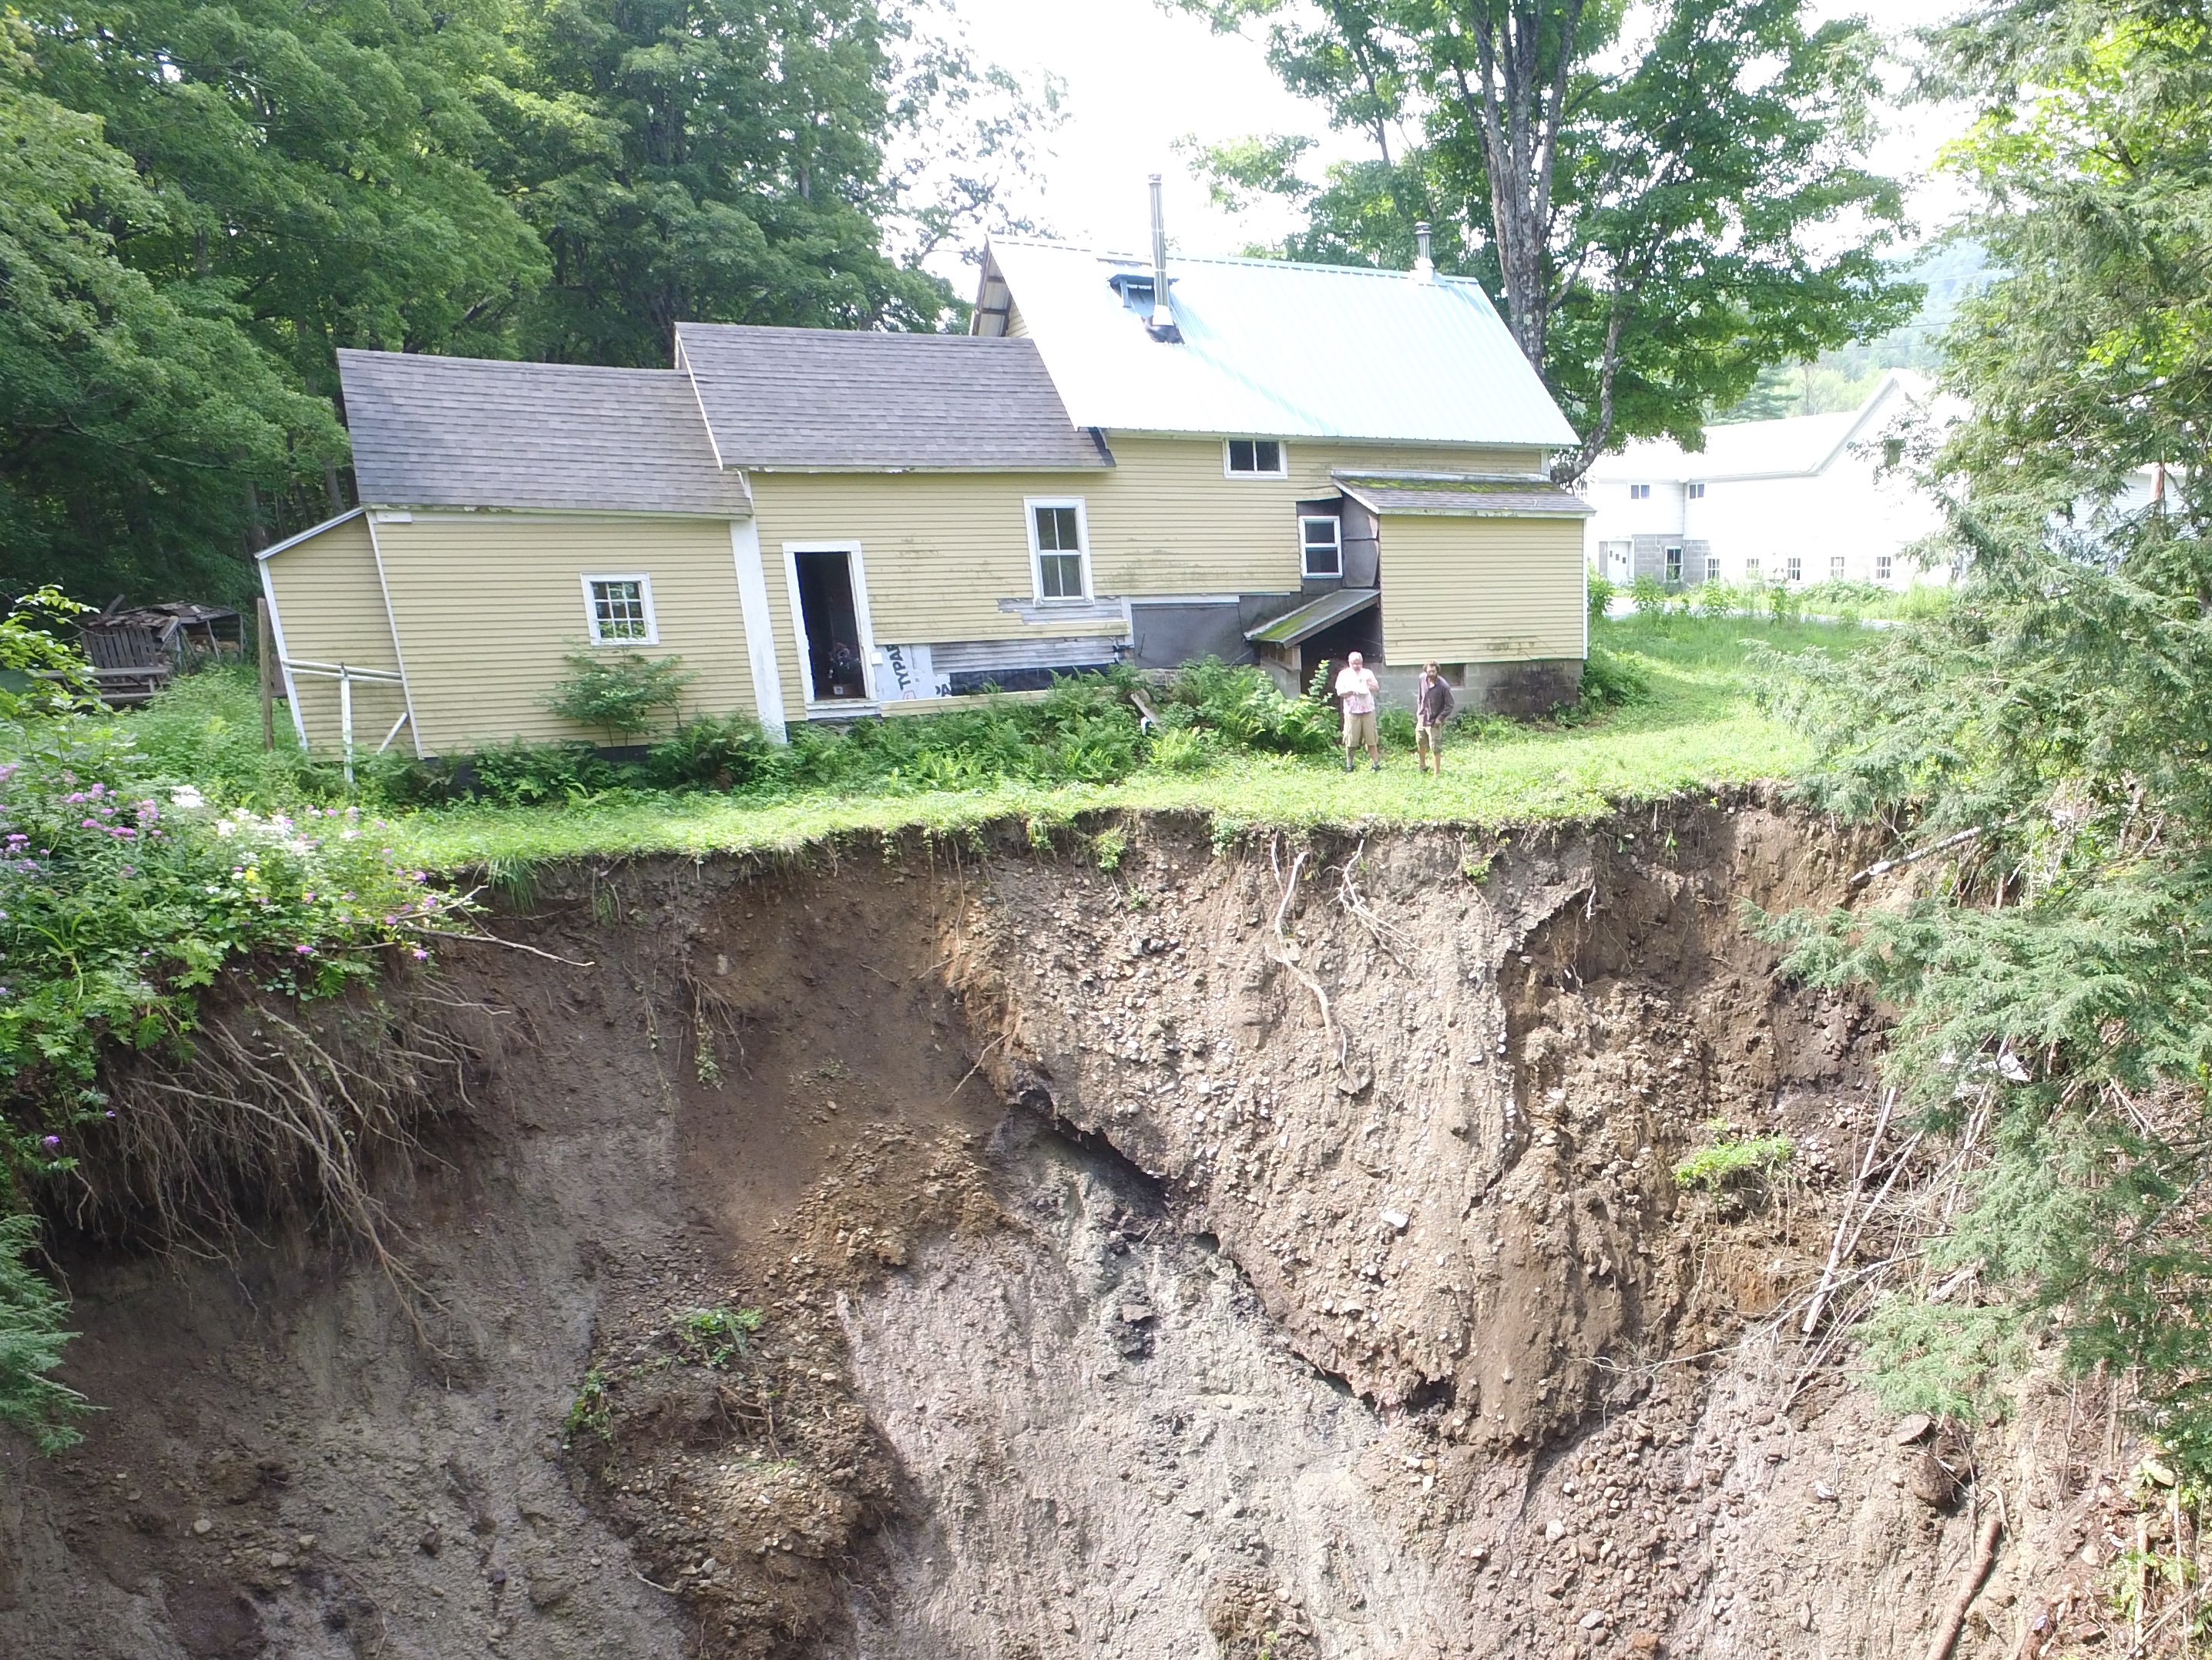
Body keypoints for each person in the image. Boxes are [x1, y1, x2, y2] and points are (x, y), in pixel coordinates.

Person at [1334, 651, 1382, 772]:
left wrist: (1368, 686)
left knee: (1371, 739)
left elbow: (1377, 688)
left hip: (1368, 710)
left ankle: (1376, 764)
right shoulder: (1344, 675)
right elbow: (1339, 692)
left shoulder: (1367, 673)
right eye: (1354, 664)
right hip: (1352, 711)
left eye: (1359, 663)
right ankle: (1349, 764)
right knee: (1351, 740)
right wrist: (1351, 691)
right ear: (1349, 663)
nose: (1357, 666)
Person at [1415, 662, 1455, 776]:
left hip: (1434, 720)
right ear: (1425, 671)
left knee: (1435, 746)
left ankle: (1436, 773)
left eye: (1434, 671)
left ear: (1437, 671)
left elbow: (1450, 705)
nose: (1431, 673)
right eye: (1429, 671)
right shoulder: (1422, 679)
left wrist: (1440, 718)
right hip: (1422, 717)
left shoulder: (1443, 686)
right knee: (1420, 741)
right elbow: (1420, 696)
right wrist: (1419, 711)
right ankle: (1422, 765)